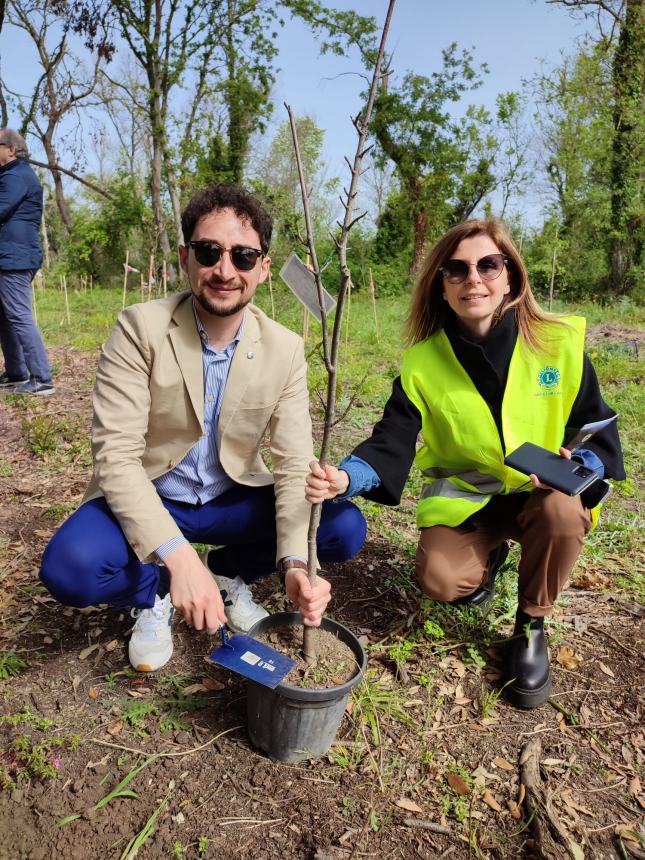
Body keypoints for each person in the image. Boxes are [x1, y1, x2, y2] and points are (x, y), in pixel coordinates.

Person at [40, 183, 366, 672]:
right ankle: (154, 594)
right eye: (209, 251)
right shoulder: (139, 329)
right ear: (185, 258)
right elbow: (116, 457)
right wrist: (177, 560)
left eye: (243, 256)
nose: (224, 270)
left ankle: (226, 573)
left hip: (228, 498)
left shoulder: (285, 349)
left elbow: (295, 461)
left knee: (340, 527)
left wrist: (295, 566)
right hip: (153, 491)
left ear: (264, 267)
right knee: (71, 569)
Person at [306, 219, 624, 709]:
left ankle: (530, 626)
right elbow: (392, 438)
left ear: (511, 277)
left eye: (487, 265)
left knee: (562, 511)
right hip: (470, 501)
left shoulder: (559, 342)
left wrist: (578, 461)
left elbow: (597, 426)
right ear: (443, 285)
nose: (472, 278)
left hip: (543, 496)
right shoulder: (423, 363)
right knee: (441, 579)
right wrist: (347, 478)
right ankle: (488, 558)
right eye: (456, 270)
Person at [0, 128, 54, 395]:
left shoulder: (16, 177)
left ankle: (42, 378)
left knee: (19, 316)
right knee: (6, 316)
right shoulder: (12, 175)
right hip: (9, 255)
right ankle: (16, 373)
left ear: (11, 149)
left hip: (15, 257)